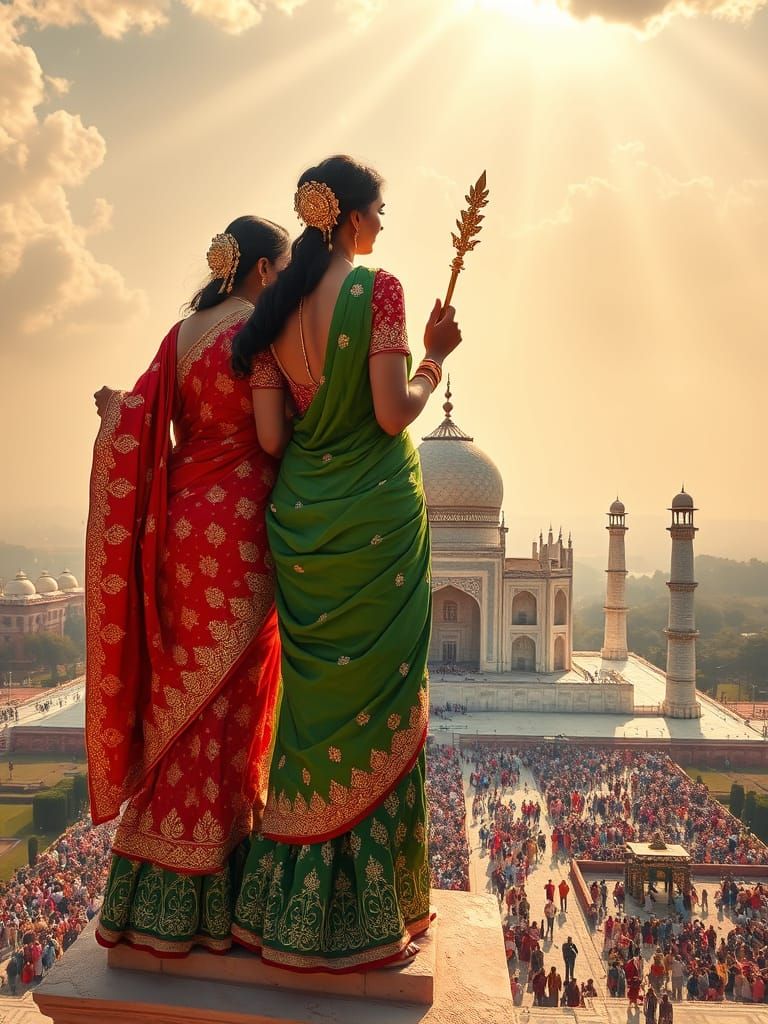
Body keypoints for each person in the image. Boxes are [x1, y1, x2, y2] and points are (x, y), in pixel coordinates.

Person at [230, 155, 462, 971]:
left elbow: (269, 440)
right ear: (354, 218)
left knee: (313, 712)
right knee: (379, 709)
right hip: (374, 523)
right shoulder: (382, 291)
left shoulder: (276, 309)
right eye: (381, 211)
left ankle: (286, 908)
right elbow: (394, 411)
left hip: (303, 526)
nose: (384, 226)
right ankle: (367, 914)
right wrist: (435, 356)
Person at [89, 216, 291, 955]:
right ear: (266, 271)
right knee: (232, 700)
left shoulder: (183, 336)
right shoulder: (263, 333)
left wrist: (118, 412)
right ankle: (216, 889)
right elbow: (272, 439)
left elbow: (140, 417)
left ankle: (153, 889)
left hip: (180, 531)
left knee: (184, 694)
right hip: (240, 533)